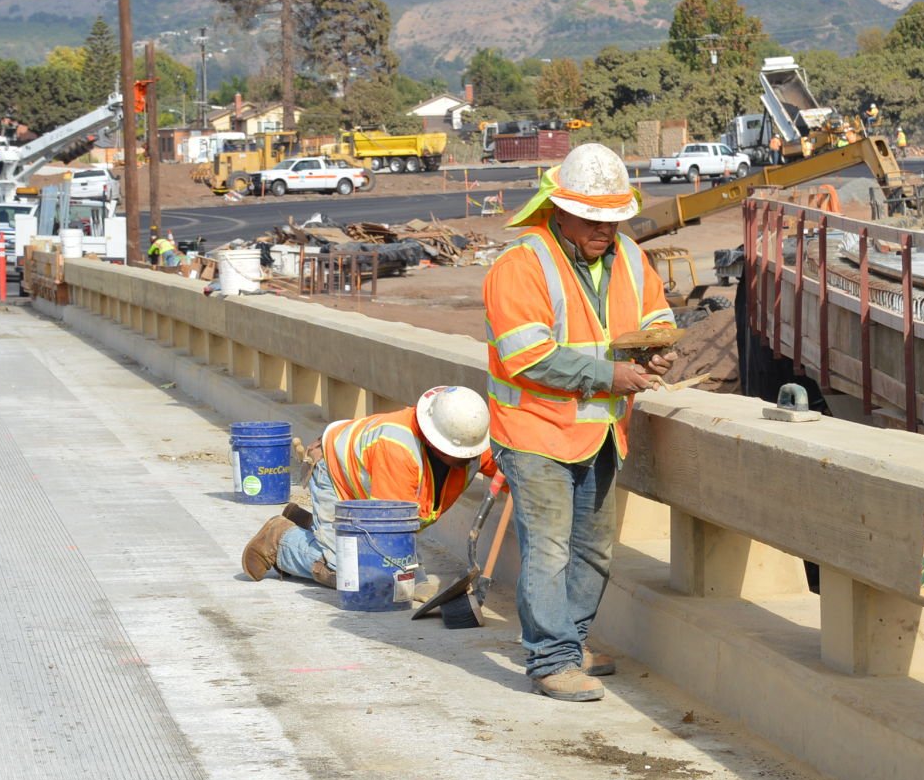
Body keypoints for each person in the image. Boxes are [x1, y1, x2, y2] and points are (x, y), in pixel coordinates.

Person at [482, 143, 677, 703]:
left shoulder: (631, 258)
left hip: (600, 434)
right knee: (548, 549)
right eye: (593, 219)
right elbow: (529, 356)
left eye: (614, 218)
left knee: (593, 549)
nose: (605, 229)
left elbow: (656, 314)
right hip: (535, 431)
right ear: (558, 210)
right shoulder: (520, 266)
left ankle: (572, 641)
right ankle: (550, 660)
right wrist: (609, 376)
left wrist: (657, 348)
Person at [240, 386, 495, 588]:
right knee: (355, 575)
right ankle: (280, 539)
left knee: (378, 570)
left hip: (366, 490)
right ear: (434, 440)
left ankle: (311, 525)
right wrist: (411, 577)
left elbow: (506, 470)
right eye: (457, 453)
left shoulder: (468, 440)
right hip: (336, 476)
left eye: (471, 453)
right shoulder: (398, 450)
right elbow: (391, 530)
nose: (467, 459)